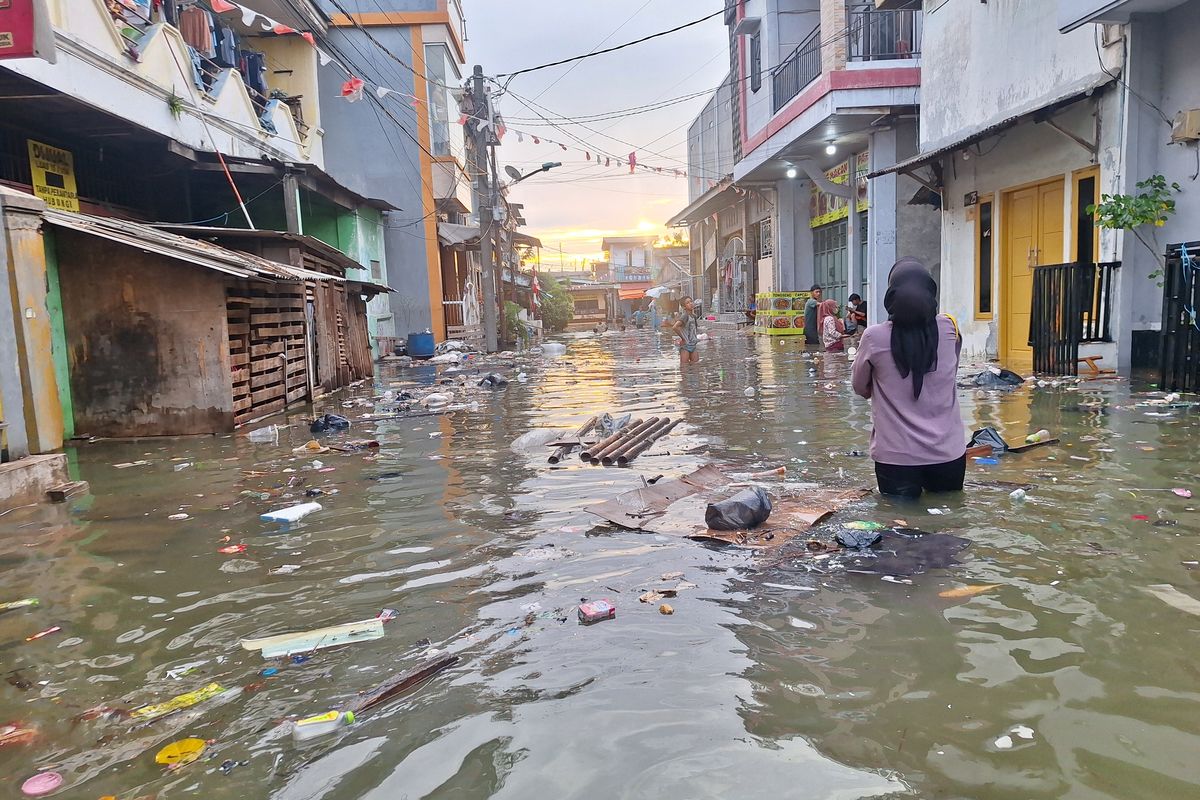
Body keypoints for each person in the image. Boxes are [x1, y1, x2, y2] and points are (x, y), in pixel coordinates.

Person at [851, 258, 966, 499]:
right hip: (948, 455)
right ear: (930, 292)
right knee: (950, 525)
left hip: (896, 458)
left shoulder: (873, 337)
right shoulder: (949, 329)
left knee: (900, 527)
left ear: (891, 294)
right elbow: (949, 376)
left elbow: (860, 388)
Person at [671, 295, 702, 366]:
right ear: (684, 307)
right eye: (687, 303)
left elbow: (694, 330)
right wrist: (683, 338)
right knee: (684, 368)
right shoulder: (685, 316)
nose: (690, 303)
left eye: (691, 301)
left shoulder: (694, 316)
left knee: (696, 366)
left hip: (693, 344)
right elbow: (674, 327)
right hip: (685, 346)